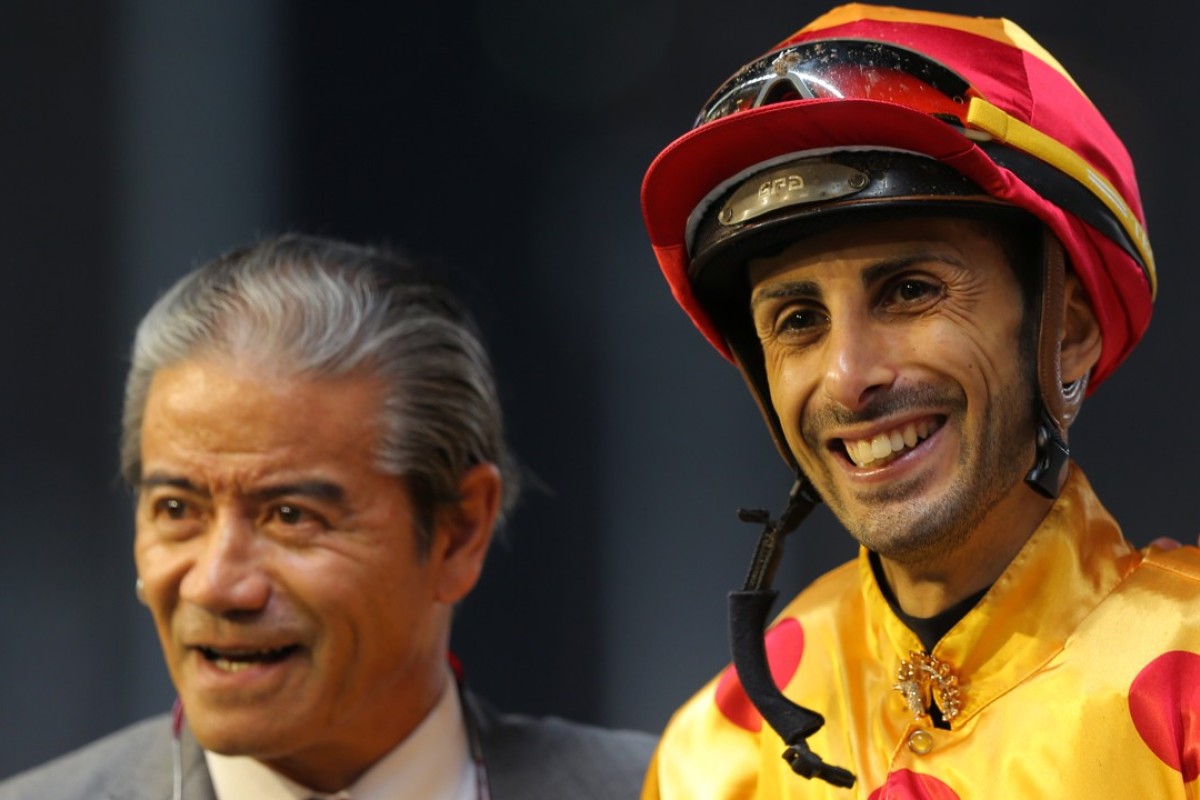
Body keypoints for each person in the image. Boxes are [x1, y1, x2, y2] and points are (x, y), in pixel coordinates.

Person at [638, 4, 1200, 798]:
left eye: (910, 291)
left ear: (1066, 331)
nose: (847, 375)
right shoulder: (713, 757)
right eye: (797, 321)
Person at [0, 233, 655, 800]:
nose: (217, 586)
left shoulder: (682, 787)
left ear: (459, 531)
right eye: (177, 510)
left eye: (290, 515)